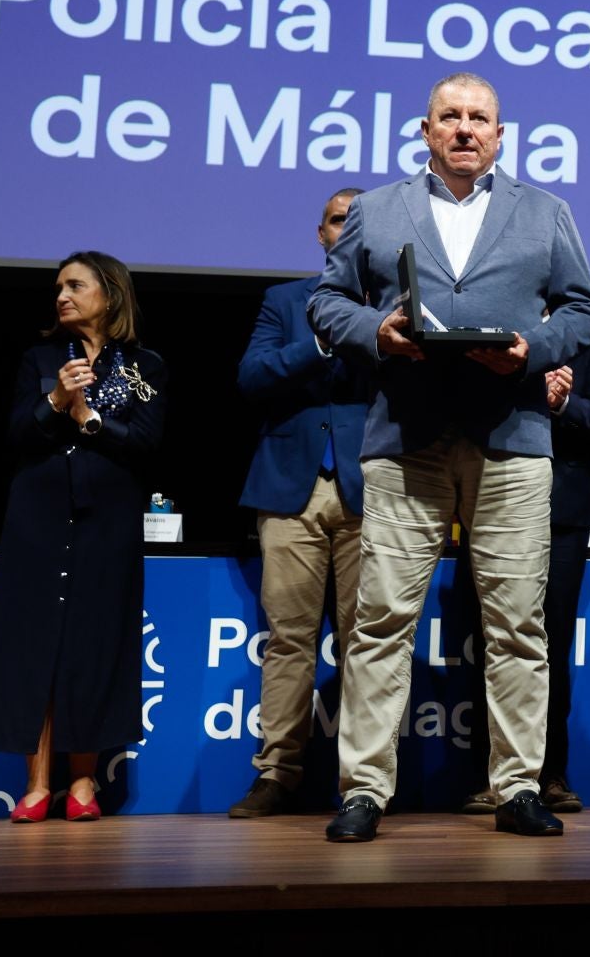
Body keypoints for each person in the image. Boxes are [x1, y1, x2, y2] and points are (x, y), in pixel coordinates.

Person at [309, 71, 590, 842]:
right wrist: (377, 332)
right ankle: (364, 790)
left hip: (512, 437)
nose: (465, 128)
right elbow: (326, 301)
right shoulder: (377, 208)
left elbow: (584, 310)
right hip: (406, 436)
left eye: (479, 118)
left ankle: (517, 787)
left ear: (500, 135)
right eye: (450, 116)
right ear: (426, 130)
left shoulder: (546, 211)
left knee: (518, 625)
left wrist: (534, 349)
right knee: (380, 621)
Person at [0, 251, 166, 822]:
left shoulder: (144, 366)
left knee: (93, 645)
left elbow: (146, 442)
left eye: (74, 285)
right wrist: (55, 401)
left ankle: (81, 783)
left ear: (110, 293)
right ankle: (36, 784)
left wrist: (89, 420)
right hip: (39, 515)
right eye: (58, 288)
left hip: (108, 517)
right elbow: (16, 436)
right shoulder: (41, 358)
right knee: (35, 646)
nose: (61, 296)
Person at [229, 189, 371, 818]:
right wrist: (317, 344)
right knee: (289, 638)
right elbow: (252, 378)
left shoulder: (398, 307)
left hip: (373, 488)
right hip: (291, 489)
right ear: (321, 234)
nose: (349, 230)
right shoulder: (285, 301)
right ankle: (276, 773)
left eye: (360, 221)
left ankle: (362, 782)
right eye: (340, 220)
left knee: (369, 642)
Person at [462, 326, 590, 816]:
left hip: (563, 511)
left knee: (549, 644)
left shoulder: (588, 340)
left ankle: (550, 774)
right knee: (493, 638)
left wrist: (562, 403)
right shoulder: (496, 325)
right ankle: (490, 776)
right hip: (493, 501)